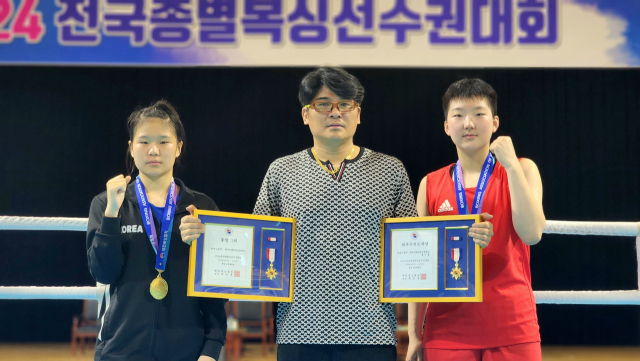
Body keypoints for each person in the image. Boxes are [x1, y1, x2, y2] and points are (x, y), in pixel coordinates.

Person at [181, 67, 493, 361]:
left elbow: (416, 251)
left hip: (373, 335)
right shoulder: (281, 172)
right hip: (298, 333)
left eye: (345, 103)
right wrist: (206, 236)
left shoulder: (390, 170)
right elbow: (253, 249)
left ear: (358, 113)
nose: (335, 112)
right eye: (323, 103)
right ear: (305, 114)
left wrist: (464, 240)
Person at [406, 79, 545, 361]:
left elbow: (532, 234)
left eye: (478, 114)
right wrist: (414, 335)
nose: (468, 123)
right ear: (447, 126)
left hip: (513, 327)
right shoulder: (429, 185)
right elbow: (418, 262)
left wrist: (510, 165)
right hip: (446, 330)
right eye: (458, 115)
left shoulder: (523, 169)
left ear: (494, 123)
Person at [86, 100, 226, 361]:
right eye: (143, 142)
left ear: (179, 148)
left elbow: (216, 293)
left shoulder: (202, 208)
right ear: (131, 147)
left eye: (164, 142)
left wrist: (211, 349)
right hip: (120, 351)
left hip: (187, 353)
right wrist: (111, 217)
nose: (153, 150)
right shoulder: (106, 203)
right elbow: (103, 273)